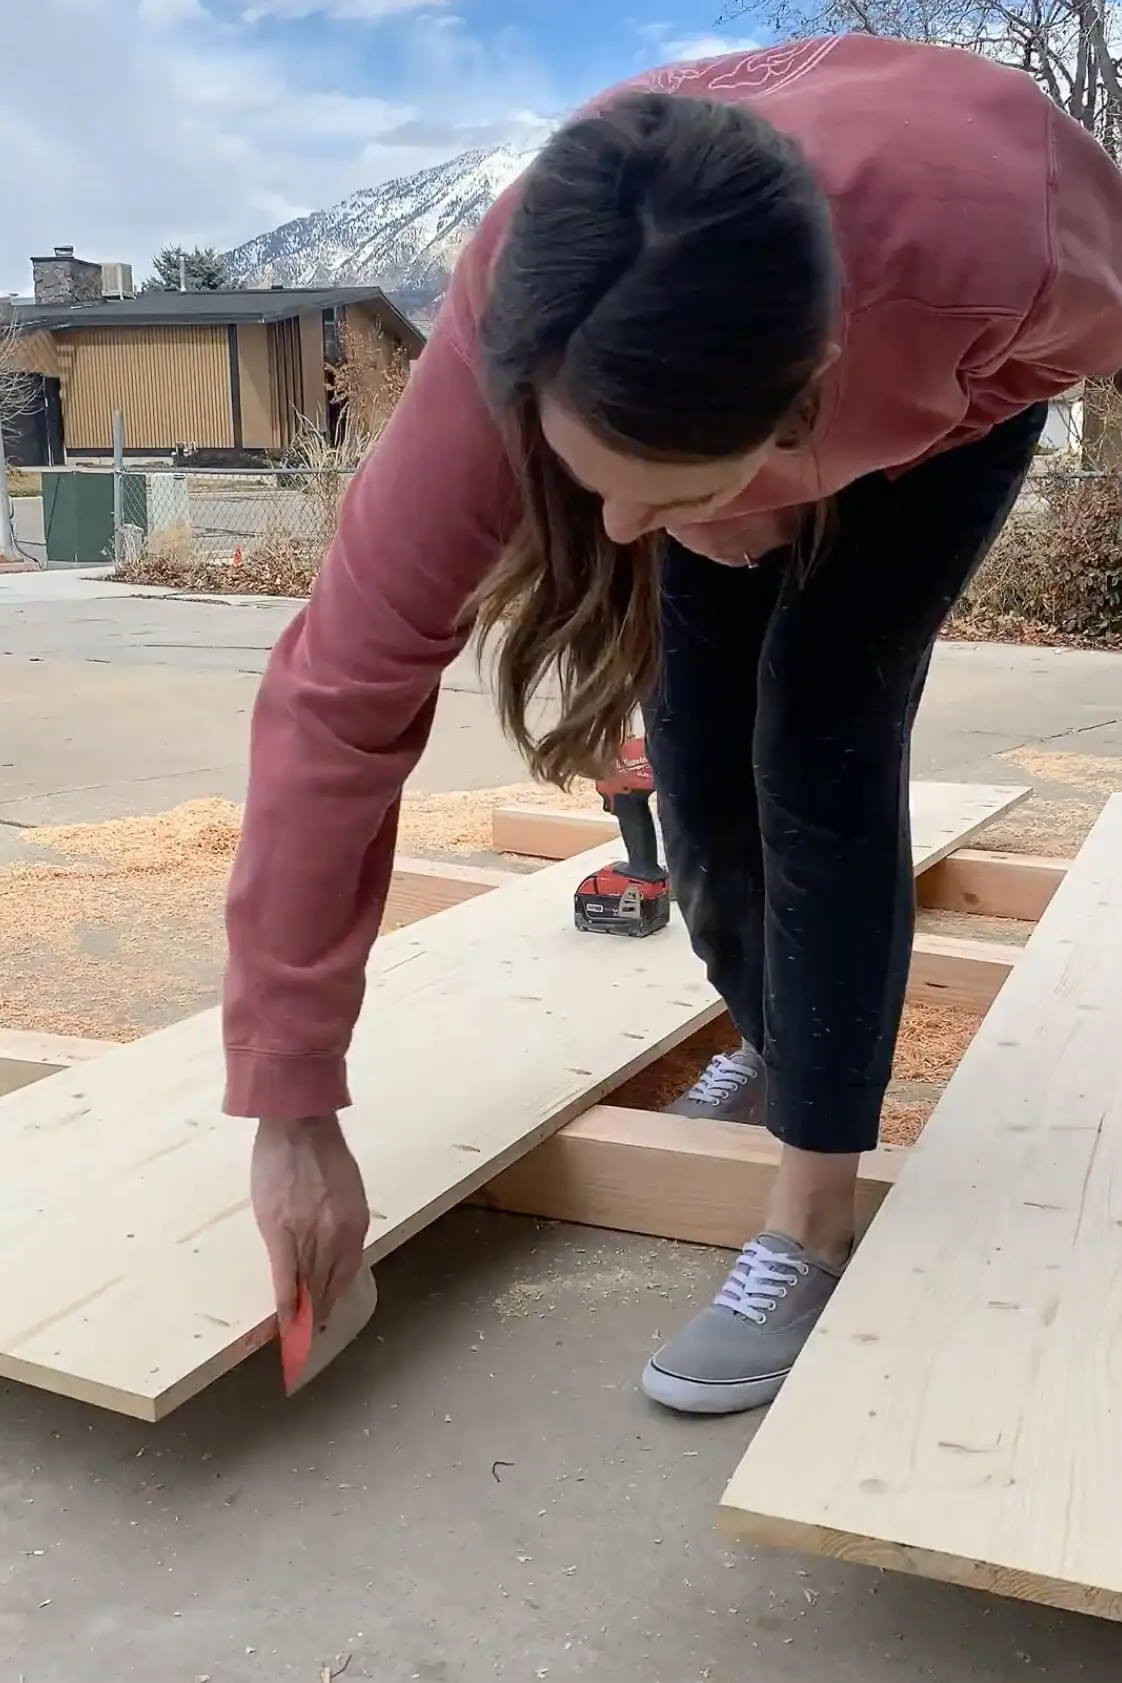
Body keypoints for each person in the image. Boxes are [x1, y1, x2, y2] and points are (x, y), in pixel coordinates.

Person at [227, 34, 1122, 1417]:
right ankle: (772, 1034)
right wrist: (291, 1109)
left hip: (933, 399)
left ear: (802, 393)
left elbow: (1064, 359)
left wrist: (884, 440)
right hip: (742, 381)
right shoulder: (516, 319)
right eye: (598, 495)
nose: (624, 537)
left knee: (814, 734)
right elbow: (333, 700)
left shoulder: (1009, 241)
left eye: (664, 493)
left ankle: (810, 1210)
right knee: (695, 754)